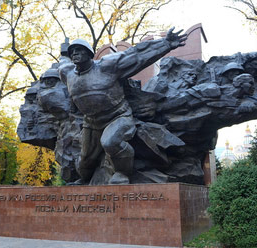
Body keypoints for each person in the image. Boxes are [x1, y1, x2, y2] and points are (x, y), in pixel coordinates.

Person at [59, 27, 187, 185]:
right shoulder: (66, 73)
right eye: (72, 51)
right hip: (91, 122)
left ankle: (122, 173)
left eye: (79, 50)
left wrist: (166, 43)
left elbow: (137, 56)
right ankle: (85, 180)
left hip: (118, 117)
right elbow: (63, 62)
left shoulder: (107, 66)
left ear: (89, 53)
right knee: (85, 159)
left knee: (110, 141)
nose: (74, 54)